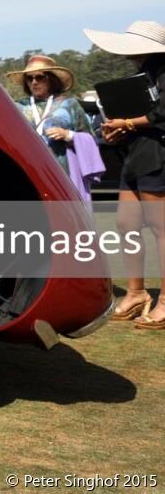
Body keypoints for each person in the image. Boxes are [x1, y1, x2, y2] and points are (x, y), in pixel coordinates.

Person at [83, 21, 165, 327]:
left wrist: (128, 123)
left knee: (161, 228)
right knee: (126, 223)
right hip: (137, 155)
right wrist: (118, 132)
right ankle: (137, 293)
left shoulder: (162, 71)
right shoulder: (139, 77)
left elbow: (162, 114)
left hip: (159, 156)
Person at [6, 55, 103, 199]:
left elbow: (91, 139)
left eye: (40, 77)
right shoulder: (18, 107)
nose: (34, 82)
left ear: (51, 79)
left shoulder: (70, 105)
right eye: (29, 78)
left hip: (63, 172)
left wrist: (68, 135)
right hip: (29, 170)